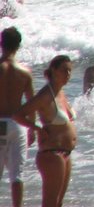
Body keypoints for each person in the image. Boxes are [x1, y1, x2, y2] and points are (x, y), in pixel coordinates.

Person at [14, 56, 76, 207]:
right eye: (64, 70)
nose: (68, 74)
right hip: (52, 153)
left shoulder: (61, 92)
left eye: (70, 71)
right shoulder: (46, 95)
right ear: (54, 70)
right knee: (50, 203)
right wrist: (37, 129)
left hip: (65, 153)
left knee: (58, 203)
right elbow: (18, 115)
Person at [0, 28, 34, 207]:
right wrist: (33, 128)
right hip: (18, 124)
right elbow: (31, 103)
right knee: (17, 175)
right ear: (19, 46)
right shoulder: (25, 72)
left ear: (1, 43)